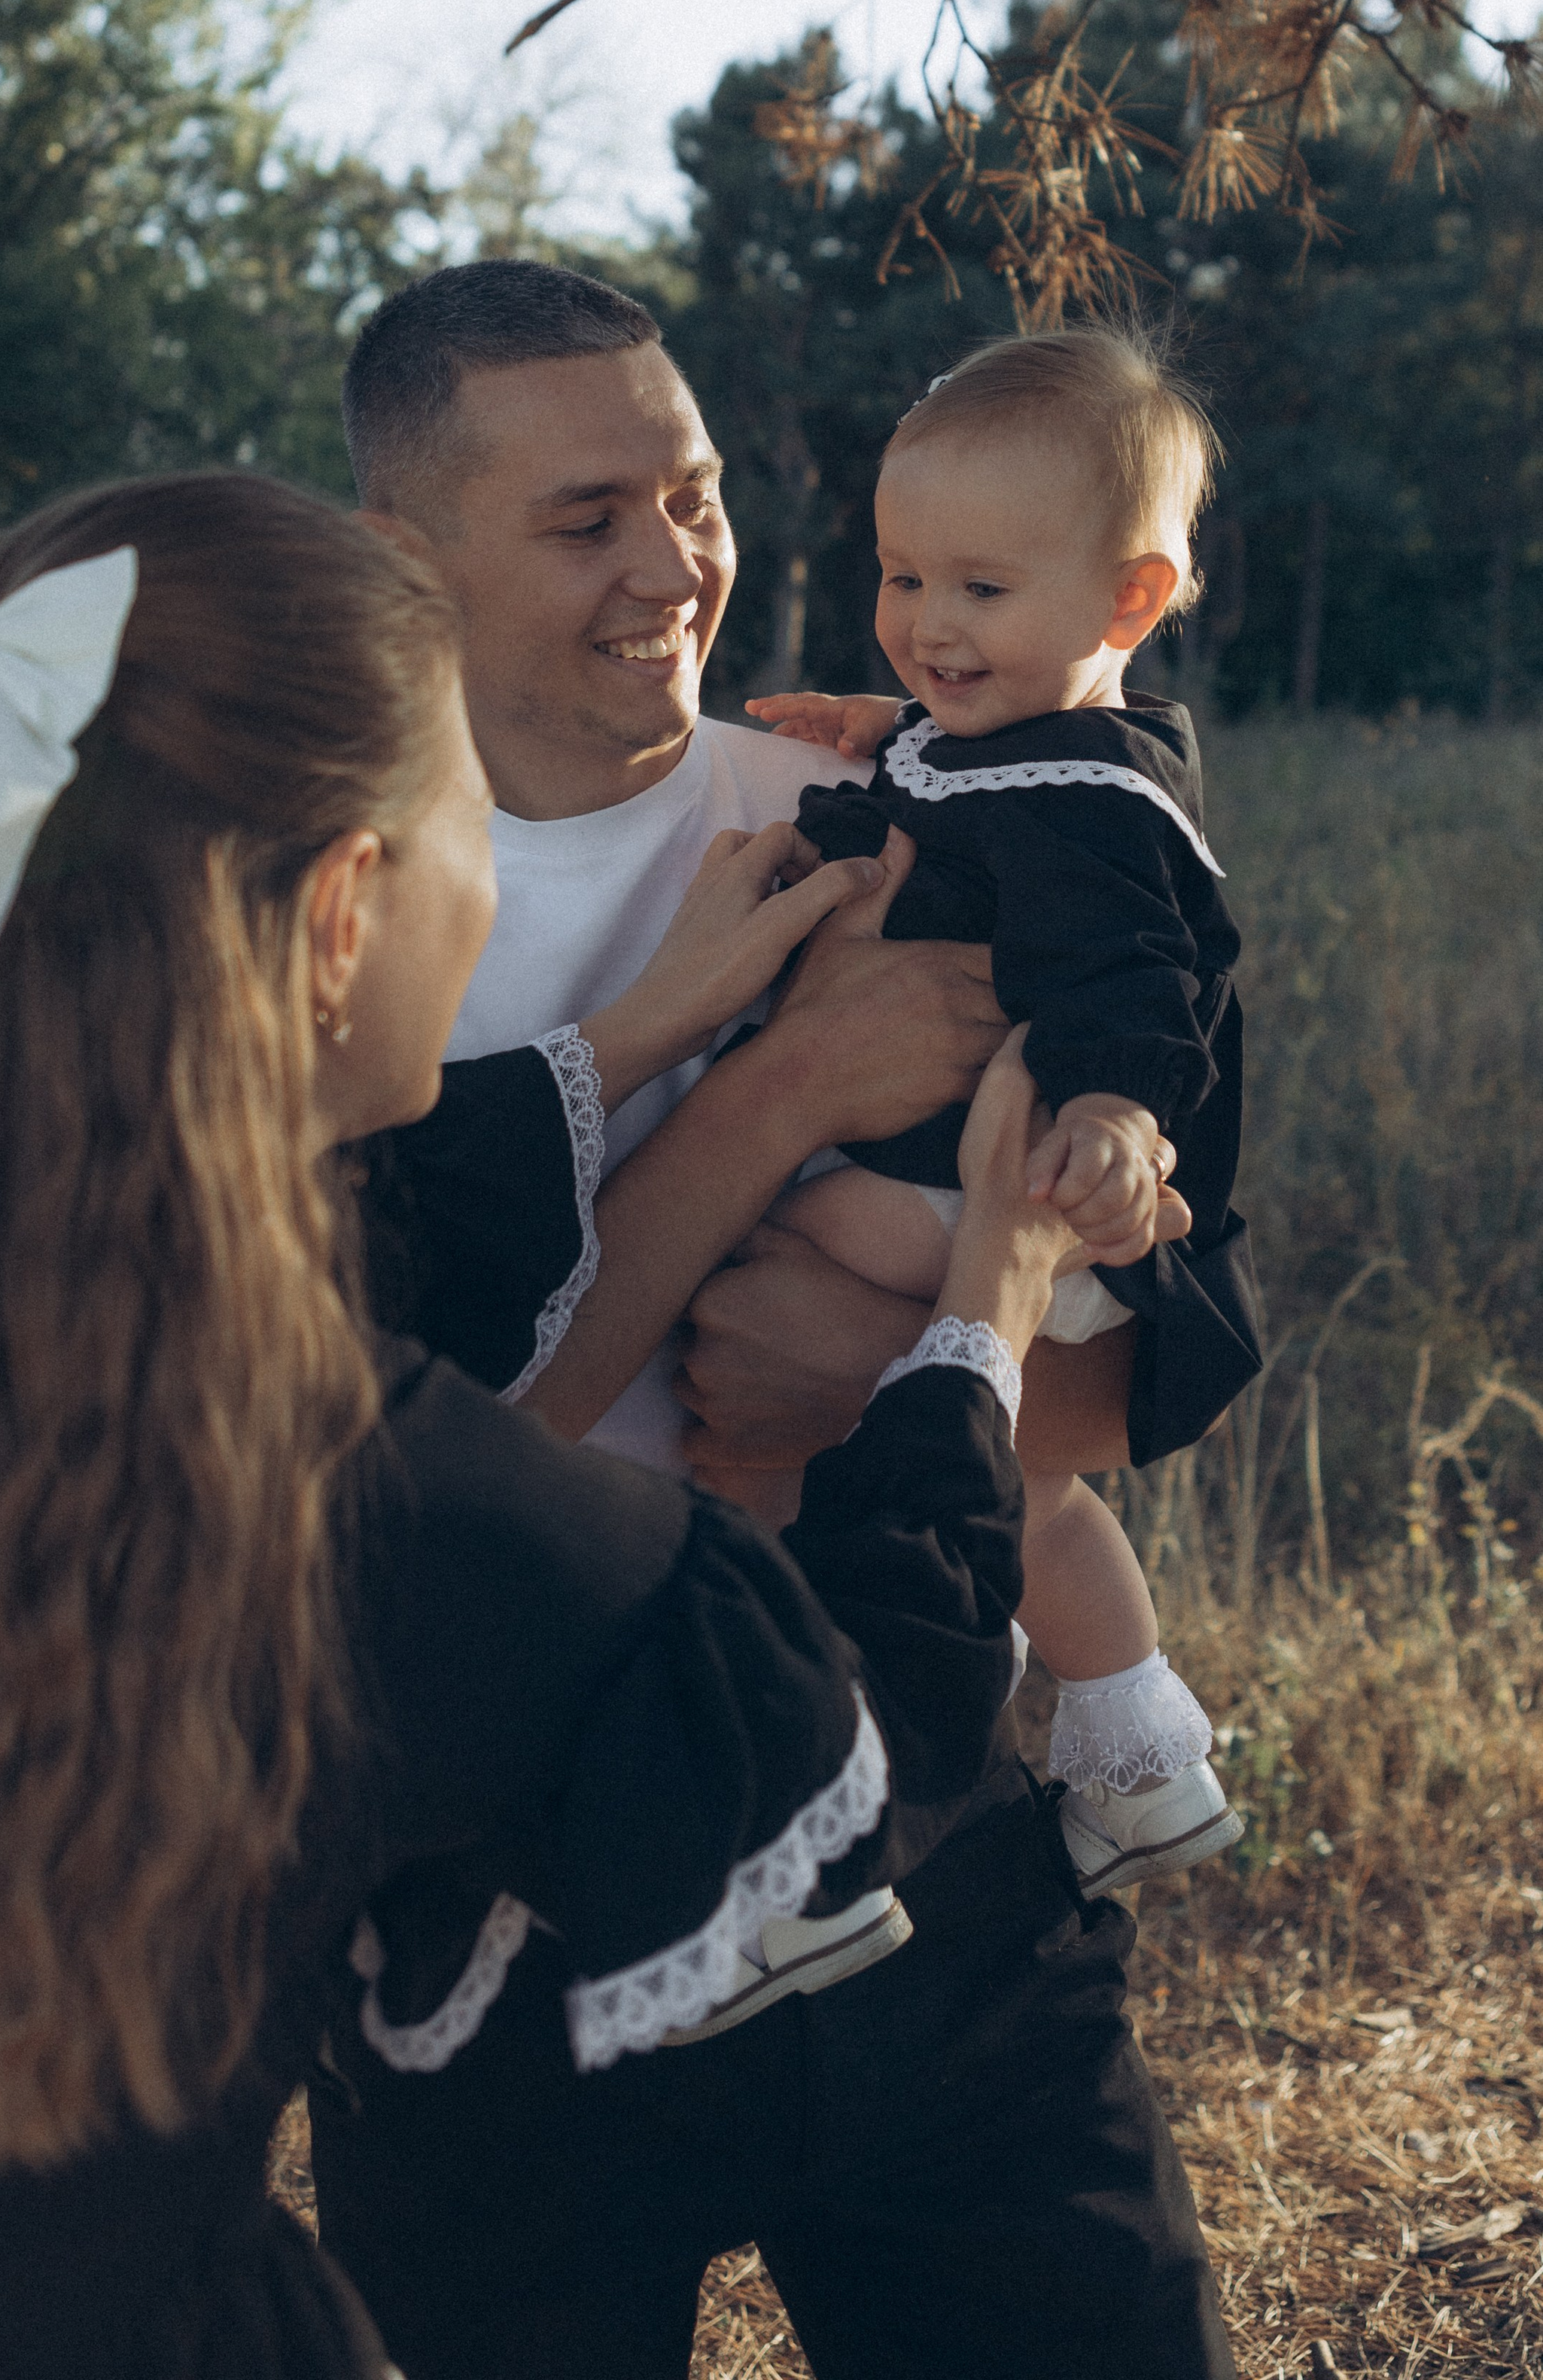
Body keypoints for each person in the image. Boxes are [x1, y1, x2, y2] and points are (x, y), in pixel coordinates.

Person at [0, 473, 1039, 2380]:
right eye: (466, 825)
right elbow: (859, 1759)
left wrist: (697, 1055)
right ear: (344, 908)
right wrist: (983, 1317)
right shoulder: (359, 1499)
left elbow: (409, 1190)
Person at [311, 259, 1237, 2379]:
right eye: (585, 520)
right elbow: (410, 1449)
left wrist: (933, 1378)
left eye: (696, 492)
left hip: (928, 1830)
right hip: (503, 1931)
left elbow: (1142, 1339)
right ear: (402, 553)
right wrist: (783, 1092)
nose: (673, 566)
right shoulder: (323, 914)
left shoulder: (894, 803)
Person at [753, 320, 1261, 1895]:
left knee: (754, 1228)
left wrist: (1116, 1113)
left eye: (979, 589)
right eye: (902, 579)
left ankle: (845, 1746)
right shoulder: (1023, 747)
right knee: (1020, 1485)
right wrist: (874, 728)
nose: (925, 623)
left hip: (1023, 1180)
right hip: (990, 1182)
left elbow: (1133, 976)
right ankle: (1133, 1740)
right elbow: (946, 808)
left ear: (1131, 599)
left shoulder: (1089, 800)